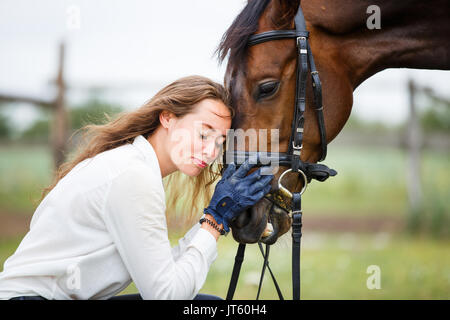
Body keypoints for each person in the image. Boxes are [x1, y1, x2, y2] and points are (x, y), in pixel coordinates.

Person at [0, 75, 273, 300]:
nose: (211, 150)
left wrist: (216, 218)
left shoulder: (134, 166)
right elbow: (165, 295)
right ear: (167, 117)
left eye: (219, 142)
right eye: (204, 133)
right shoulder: (133, 175)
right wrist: (216, 219)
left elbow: (163, 273)